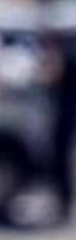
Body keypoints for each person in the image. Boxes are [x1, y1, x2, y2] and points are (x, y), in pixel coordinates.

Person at [44, 27, 76, 219]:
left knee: (63, 160)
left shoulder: (65, 54)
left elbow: (53, 76)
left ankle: (64, 202)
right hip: (65, 114)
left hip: (66, 114)